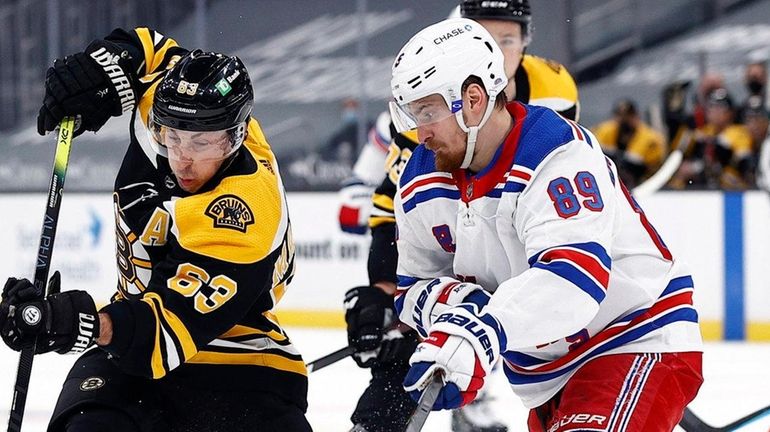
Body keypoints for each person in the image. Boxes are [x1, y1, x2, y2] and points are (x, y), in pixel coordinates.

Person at [390, 18, 703, 432]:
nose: (420, 131)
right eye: (411, 113)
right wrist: (460, 308)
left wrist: (480, 332)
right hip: (545, 373)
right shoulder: (419, 181)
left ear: (474, 99)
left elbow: (573, 281)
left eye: (428, 111)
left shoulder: (555, 155)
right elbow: (412, 288)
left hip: (635, 334)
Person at [0, 28, 310, 432]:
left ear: (237, 137)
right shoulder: (170, 108)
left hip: (238, 361)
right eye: (173, 138)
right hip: (125, 358)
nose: (182, 158)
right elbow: (149, 49)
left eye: (201, 144)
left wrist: (74, 321)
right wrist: (98, 70)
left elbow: (158, 335)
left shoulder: (245, 208)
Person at [342, 1, 580, 431]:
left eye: (506, 39)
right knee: (407, 342)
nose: (493, 47)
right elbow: (396, 209)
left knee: (562, 321)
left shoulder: (554, 89)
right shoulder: (427, 97)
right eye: (481, 33)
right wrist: (384, 290)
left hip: (531, 234)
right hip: (459, 237)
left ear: (526, 41)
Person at [592, 99, 667, 188]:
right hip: (607, 183)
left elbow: (648, 168)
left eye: (628, 116)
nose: (624, 120)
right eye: (620, 116)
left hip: (643, 185)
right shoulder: (605, 130)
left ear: (636, 116)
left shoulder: (651, 139)